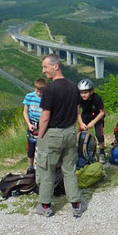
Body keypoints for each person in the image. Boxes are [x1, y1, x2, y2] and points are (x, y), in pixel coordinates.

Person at [35, 54, 86, 218]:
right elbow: (77, 111)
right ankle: (76, 204)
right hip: (70, 132)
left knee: (47, 169)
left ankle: (45, 206)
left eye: (45, 67)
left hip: (53, 133)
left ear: (56, 66)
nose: (44, 71)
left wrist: (40, 136)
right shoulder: (73, 87)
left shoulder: (50, 88)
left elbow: (45, 117)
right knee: (69, 170)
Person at [77, 78, 107, 164]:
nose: (83, 95)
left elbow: (102, 112)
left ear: (91, 91)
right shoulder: (79, 98)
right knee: (80, 134)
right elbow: (78, 113)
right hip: (85, 115)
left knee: (99, 134)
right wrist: (81, 123)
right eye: (81, 93)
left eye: (85, 92)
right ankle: (80, 152)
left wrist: (93, 123)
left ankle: (102, 152)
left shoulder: (97, 98)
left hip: (97, 115)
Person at [22, 78, 46, 174]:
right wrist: (29, 124)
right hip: (32, 124)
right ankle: (30, 166)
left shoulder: (47, 99)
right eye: (37, 91)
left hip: (43, 124)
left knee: (42, 147)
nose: (39, 93)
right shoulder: (29, 97)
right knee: (31, 147)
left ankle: (42, 166)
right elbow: (25, 111)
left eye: (41, 91)